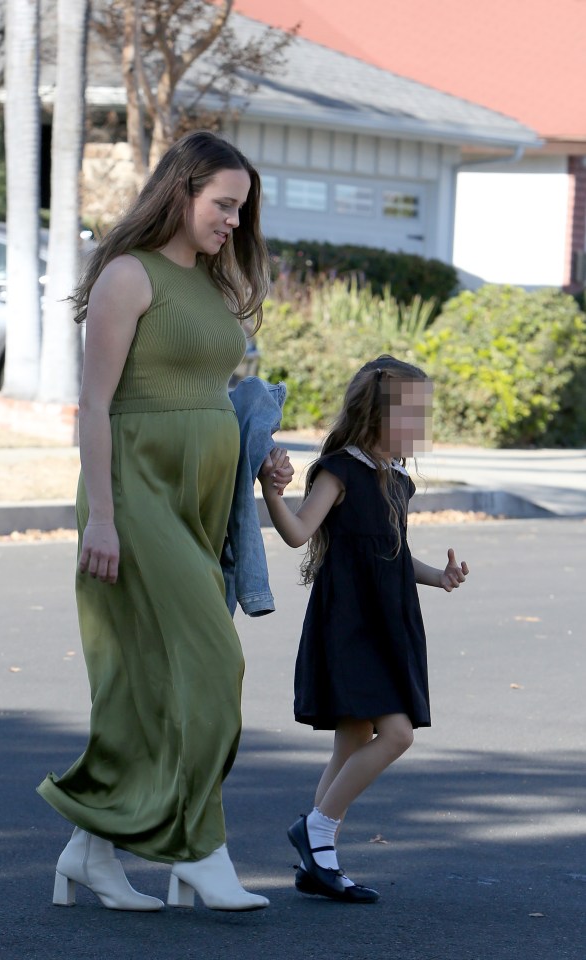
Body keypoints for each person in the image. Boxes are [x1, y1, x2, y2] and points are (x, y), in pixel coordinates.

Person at [37, 130, 291, 912]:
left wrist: (260, 457)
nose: (231, 221)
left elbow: (212, 394)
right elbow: (98, 406)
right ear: (180, 191)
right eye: (222, 204)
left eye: (241, 209)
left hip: (202, 501)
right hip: (135, 495)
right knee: (214, 668)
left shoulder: (213, 287)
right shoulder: (127, 276)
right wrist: (103, 519)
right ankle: (201, 849)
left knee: (146, 686)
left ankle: (90, 851)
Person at [258, 355, 470, 903]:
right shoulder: (340, 469)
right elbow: (300, 534)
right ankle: (317, 831)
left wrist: (439, 578)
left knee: (353, 739)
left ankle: (317, 862)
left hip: (390, 621)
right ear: (378, 415)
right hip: (349, 623)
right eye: (414, 416)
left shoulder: (399, 480)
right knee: (395, 734)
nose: (422, 430)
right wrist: (274, 494)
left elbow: (394, 558)